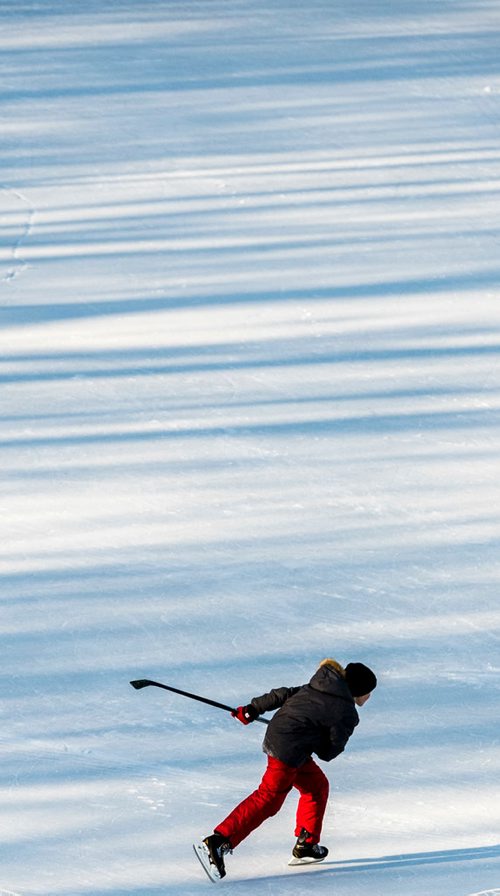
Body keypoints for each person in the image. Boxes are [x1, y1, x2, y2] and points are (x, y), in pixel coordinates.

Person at [197, 658, 377, 880]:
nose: (369, 697)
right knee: (269, 798)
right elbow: (329, 753)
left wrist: (252, 709)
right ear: (359, 691)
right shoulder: (347, 712)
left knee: (316, 786)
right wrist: (316, 737)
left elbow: (283, 694)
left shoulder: (320, 684)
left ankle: (307, 845)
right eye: (369, 692)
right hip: (289, 749)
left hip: (283, 737)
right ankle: (220, 840)